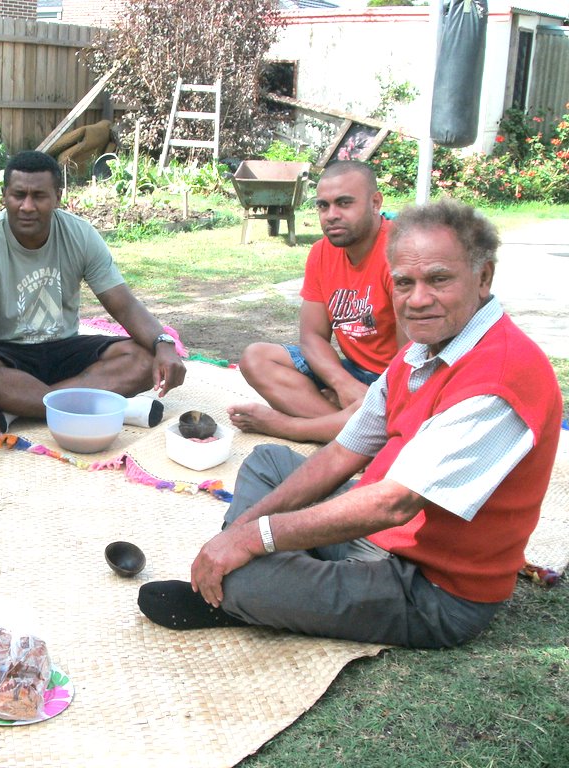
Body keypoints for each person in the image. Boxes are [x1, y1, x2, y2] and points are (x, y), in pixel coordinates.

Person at [138, 199, 562, 649]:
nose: (417, 299)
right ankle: (250, 574)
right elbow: (344, 451)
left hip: (432, 589)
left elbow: (394, 504)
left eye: (439, 279)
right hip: (378, 538)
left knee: (245, 579)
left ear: (483, 278)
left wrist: (257, 536)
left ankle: (238, 589)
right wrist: (247, 536)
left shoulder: (500, 377)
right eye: (403, 282)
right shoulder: (423, 349)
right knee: (267, 462)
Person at [0, 150, 187, 456]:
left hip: (64, 348)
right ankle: (103, 407)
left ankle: (18, 409)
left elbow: (124, 304)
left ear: (58, 197)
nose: (27, 206)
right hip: (6, 354)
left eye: (39, 196)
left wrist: (164, 344)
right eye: (18, 195)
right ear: (4, 196)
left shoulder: (80, 235)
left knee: (145, 357)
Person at [228, 160, 405, 443]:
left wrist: (368, 395)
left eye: (344, 203)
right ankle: (356, 431)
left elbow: (411, 362)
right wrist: (342, 383)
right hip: (353, 373)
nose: (331, 215)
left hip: (397, 380)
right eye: (323, 206)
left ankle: (293, 427)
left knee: (402, 408)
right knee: (256, 358)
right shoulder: (321, 253)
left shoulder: (402, 252)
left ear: (375, 202)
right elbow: (312, 337)